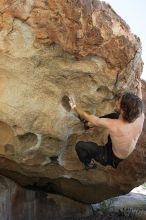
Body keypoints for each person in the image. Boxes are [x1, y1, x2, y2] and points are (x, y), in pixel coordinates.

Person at [69, 79, 145, 169]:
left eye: (119, 101)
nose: (117, 101)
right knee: (114, 115)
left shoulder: (115, 125)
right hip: (122, 146)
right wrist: (139, 88)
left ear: (123, 111)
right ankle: (89, 125)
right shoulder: (140, 116)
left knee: (80, 146)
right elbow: (139, 100)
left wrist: (74, 106)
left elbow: (90, 117)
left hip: (111, 156)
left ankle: (89, 164)